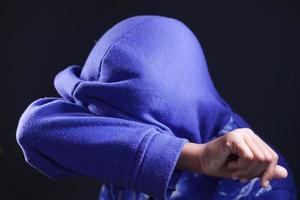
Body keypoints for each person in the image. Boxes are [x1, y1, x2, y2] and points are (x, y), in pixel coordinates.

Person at [16, 15, 297, 199]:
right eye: (107, 125)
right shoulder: (127, 143)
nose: (112, 135)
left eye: (124, 126)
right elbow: (33, 129)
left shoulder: (260, 182)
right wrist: (193, 157)